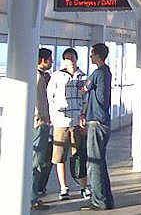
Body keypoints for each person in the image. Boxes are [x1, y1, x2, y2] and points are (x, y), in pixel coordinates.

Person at [47, 48, 90, 201]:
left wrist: (83, 116)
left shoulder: (83, 76)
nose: (70, 60)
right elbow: (50, 97)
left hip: (77, 122)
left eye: (72, 57)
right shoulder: (56, 76)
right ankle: (63, 188)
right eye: (66, 58)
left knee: (78, 155)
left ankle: (84, 186)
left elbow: (86, 99)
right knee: (60, 157)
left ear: (76, 59)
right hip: (61, 122)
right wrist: (54, 117)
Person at [81, 43, 114, 211]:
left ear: (97, 56)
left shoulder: (97, 73)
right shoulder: (106, 73)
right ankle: (105, 198)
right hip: (104, 121)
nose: (90, 57)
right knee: (100, 161)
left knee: (94, 163)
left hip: (96, 122)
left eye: (92, 54)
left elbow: (84, 90)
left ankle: (98, 200)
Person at [32, 47, 53, 211]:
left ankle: (32, 195)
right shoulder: (38, 78)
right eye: (50, 59)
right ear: (43, 60)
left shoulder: (36, 76)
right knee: (37, 161)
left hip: (38, 123)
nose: (51, 62)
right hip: (40, 124)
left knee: (37, 160)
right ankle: (33, 197)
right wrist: (42, 118)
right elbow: (39, 101)